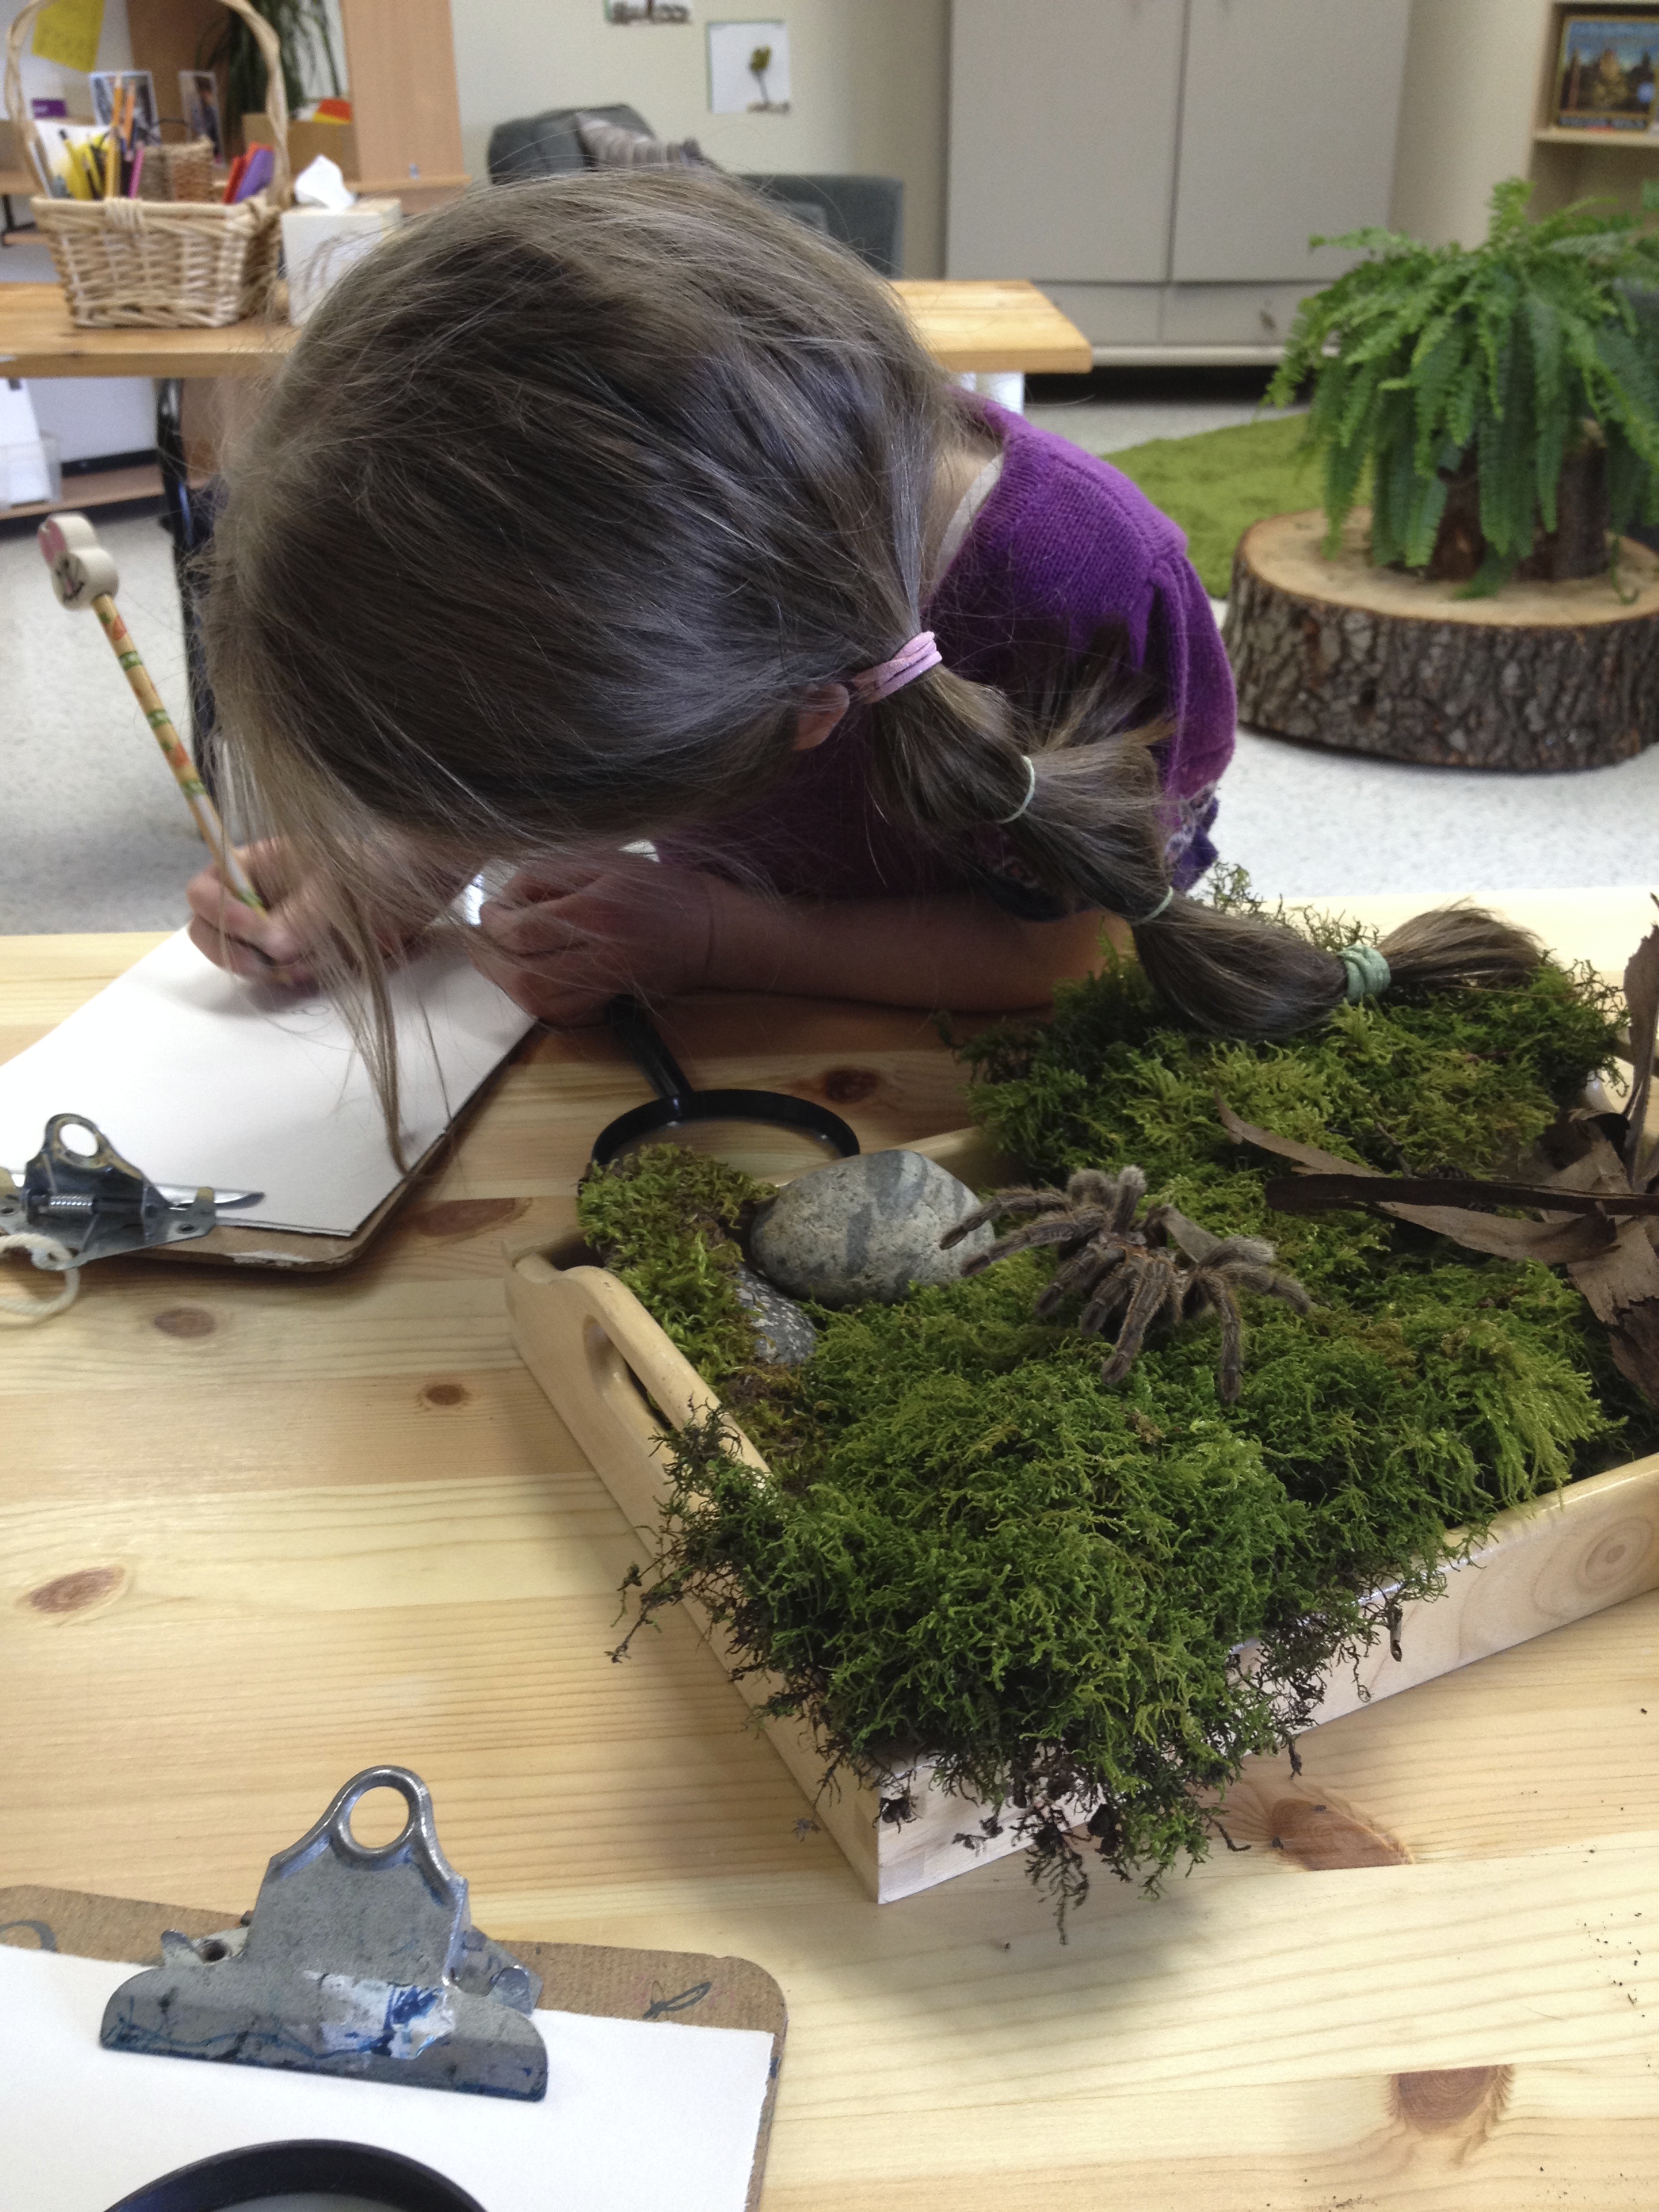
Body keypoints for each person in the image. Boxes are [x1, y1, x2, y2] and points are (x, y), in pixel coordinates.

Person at [187, 171, 1537, 1077]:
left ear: (807, 716)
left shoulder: (1091, 590)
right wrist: (390, 863)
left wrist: (718, 936)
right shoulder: (718, 549)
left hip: (960, 1038)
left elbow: (1077, 949)